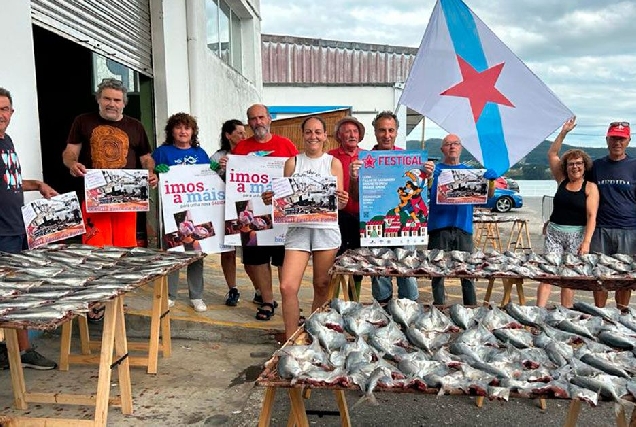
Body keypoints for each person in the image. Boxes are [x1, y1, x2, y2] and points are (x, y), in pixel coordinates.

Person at [62, 78, 158, 321]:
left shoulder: (135, 126)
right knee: (95, 253)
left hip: (127, 202)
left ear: (124, 103)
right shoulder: (82, 121)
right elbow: (70, 152)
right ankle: (95, 302)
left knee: (123, 253)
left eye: (117, 100)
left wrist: (150, 171)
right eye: (107, 98)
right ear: (98, 99)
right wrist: (73, 164)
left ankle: (116, 300)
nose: (112, 104)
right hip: (95, 201)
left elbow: (146, 157)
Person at [264, 116, 348, 339]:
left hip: (325, 230)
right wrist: (273, 198)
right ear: (303, 135)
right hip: (298, 230)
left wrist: (343, 200)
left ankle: (316, 335)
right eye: (309, 132)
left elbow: (338, 203)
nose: (313, 136)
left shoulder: (333, 163)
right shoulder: (293, 162)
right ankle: (291, 338)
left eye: (318, 132)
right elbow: (285, 198)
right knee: (287, 287)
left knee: (321, 285)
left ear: (324, 135)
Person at [219, 104, 298, 320]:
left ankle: (289, 302)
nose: (258, 122)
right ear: (249, 122)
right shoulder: (241, 148)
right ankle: (267, 301)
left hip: (280, 213)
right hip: (251, 213)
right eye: (253, 119)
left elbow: (296, 176)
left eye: (261, 117)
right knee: (257, 261)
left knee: (284, 261)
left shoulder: (286, 145)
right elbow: (232, 180)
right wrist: (227, 165)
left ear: (270, 118)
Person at [0, 87, 58, 370]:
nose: (1, 114)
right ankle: (14, 350)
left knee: (19, 291)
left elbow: (11, 183)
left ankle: (22, 350)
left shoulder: (7, 142)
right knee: (7, 292)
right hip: (1, 232)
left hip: (17, 227)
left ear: (12, 113)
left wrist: (37, 185)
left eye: (5, 108)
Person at [349, 111, 419, 303]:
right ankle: (383, 311)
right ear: (375, 132)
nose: (386, 135)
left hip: (404, 226)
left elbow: (418, 193)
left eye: (390, 130)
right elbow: (355, 197)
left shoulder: (408, 159)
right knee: (379, 274)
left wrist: (425, 176)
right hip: (376, 226)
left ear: (396, 132)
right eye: (382, 130)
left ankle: (409, 309)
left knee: (407, 271)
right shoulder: (365, 160)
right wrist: (354, 177)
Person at [425, 134, 495, 306]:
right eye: (447, 144)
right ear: (442, 149)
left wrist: (491, 181)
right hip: (438, 228)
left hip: (463, 228)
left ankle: (470, 308)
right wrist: (429, 178)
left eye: (455, 143)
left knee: (467, 272)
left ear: (461, 147)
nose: (452, 147)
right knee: (436, 273)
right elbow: (424, 194)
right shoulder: (433, 171)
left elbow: (488, 197)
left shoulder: (471, 172)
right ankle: (439, 307)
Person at [536, 117, 599, 308]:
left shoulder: (590, 187)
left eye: (579, 163)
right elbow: (552, 153)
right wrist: (563, 132)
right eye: (571, 163)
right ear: (566, 166)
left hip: (576, 235)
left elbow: (591, 216)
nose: (575, 167)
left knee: (568, 276)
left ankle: (566, 312)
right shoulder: (561, 179)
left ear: (584, 165)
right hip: (554, 233)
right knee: (548, 274)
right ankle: (537, 311)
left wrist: (586, 242)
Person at [152, 112, 210, 312]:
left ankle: (196, 296)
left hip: (196, 209)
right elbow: (151, 176)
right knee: (173, 251)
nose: (183, 131)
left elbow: (208, 179)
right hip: (171, 210)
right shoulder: (162, 152)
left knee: (196, 252)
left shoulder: (200, 153)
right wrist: (156, 173)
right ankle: (170, 294)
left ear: (193, 131)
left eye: (187, 128)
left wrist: (212, 169)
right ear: (171, 131)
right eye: (178, 127)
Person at [590, 121, 636, 309]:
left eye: (621, 139)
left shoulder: (634, 165)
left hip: (629, 229)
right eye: (614, 138)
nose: (617, 142)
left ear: (628, 140)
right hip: (600, 229)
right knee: (599, 276)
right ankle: (601, 313)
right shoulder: (596, 166)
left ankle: (621, 315)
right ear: (607, 139)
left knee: (624, 277)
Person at [210, 119, 249, 307]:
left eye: (244, 132)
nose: (243, 136)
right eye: (239, 132)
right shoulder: (218, 156)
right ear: (228, 135)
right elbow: (205, 181)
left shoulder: (251, 154)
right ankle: (232, 288)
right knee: (229, 252)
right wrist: (219, 168)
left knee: (252, 251)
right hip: (225, 210)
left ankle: (259, 289)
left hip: (248, 209)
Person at [327, 116, 365, 298]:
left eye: (355, 131)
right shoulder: (329, 157)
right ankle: (332, 300)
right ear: (339, 136)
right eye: (347, 131)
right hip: (337, 217)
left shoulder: (368, 156)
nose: (352, 135)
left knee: (358, 262)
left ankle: (353, 301)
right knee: (334, 260)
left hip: (362, 217)